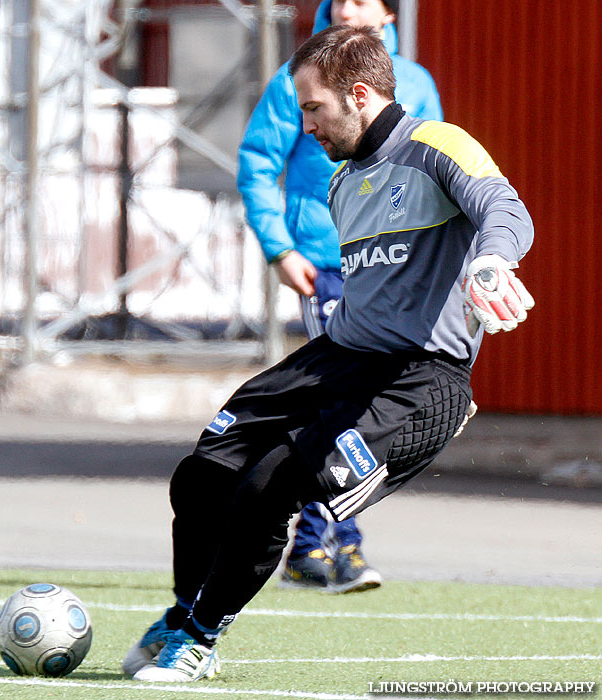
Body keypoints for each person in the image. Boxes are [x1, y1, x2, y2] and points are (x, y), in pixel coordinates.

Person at [124, 24, 535, 683]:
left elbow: (504, 209)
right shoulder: (344, 185)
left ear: (360, 95)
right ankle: (181, 612)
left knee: (271, 485)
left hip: (418, 378)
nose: (305, 124)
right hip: (339, 357)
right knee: (204, 472)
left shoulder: (436, 145)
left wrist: (490, 264)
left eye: (312, 108)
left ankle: (200, 638)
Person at [237, 0, 442, 592]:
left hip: (392, 269)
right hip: (326, 263)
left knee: (378, 402)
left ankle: (315, 544)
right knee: (343, 397)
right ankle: (326, 546)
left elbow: (432, 175)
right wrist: (280, 247)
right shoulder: (297, 79)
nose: (351, 7)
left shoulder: (417, 82)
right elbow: (257, 162)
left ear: (386, 10)